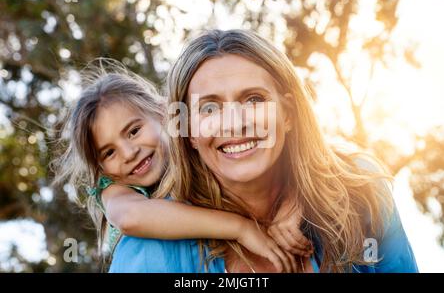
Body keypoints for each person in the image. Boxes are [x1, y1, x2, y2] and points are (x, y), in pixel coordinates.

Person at [109, 30, 418, 273]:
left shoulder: (359, 190)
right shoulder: (148, 253)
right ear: (188, 131)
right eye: (210, 108)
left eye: (253, 100)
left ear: (288, 113)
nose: (235, 124)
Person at [51, 58, 311, 273]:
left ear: (164, 113)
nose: (129, 153)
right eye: (108, 153)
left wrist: (293, 204)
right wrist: (241, 228)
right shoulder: (115, 190)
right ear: (101, 169)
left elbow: (298, 164)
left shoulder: (202, 150)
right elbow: (131, 217)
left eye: (133, 131)